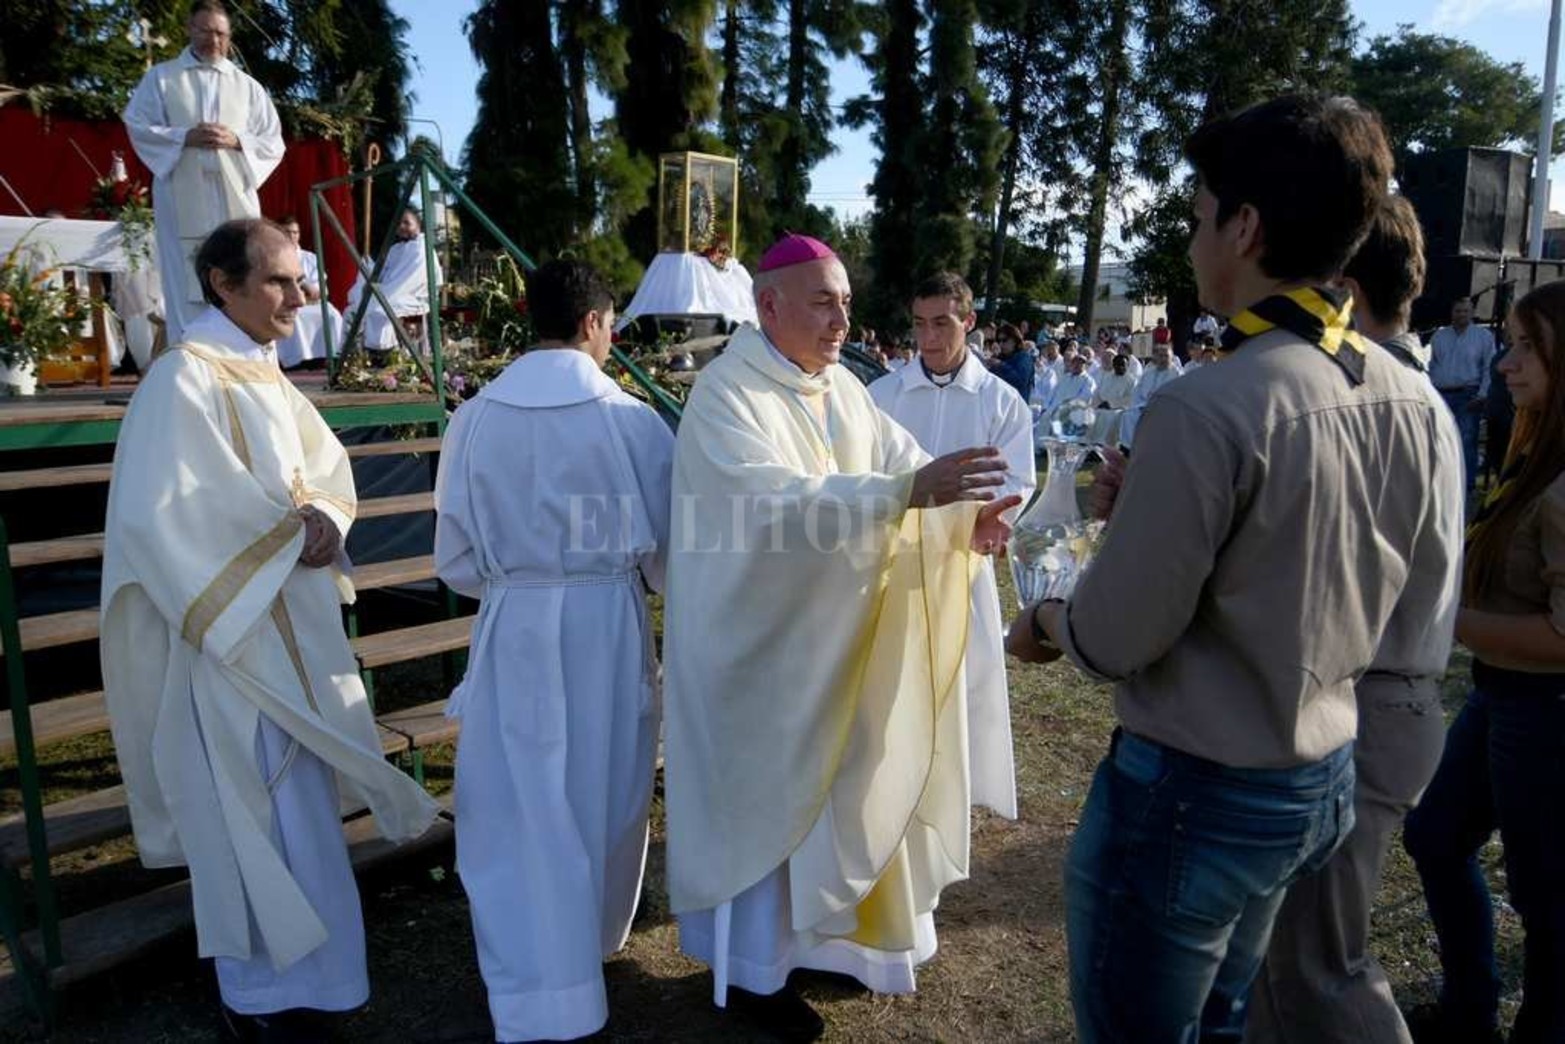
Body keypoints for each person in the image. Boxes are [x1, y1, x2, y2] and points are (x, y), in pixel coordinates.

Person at [1008, 94, 1453, 1043]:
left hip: (1195, 792)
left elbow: (1116, 638)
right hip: (1319, 769)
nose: (1193, 235)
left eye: (1199, 213)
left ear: (1244, 227)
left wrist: (1044, 619)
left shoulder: (1209, 407)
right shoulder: (1405, 397)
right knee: (1223, 1023)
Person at [662, 234, 1019, 1036]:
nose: (840, 319)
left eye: (846, 302)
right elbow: (766, 505)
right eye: (822, 301)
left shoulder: (844, 390)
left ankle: (832, 949)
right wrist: (902, 493)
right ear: (767, 307)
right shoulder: (727, 395)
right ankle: (754, 972)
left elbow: (911, 468)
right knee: (768, 803)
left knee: (841, 795)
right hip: (760, 653)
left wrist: (966, 519)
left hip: (837, 639)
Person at [100, 218, 441, 1037]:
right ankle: (256, 998)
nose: (303, 296)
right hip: (228, 639)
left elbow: (322, 472)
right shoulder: (180, 380)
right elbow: (166, 515)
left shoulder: (267, 375)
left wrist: (326, 515)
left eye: (301, 278)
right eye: (282, 281)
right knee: (244, 812)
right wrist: (295, 530)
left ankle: (320, 984)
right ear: (223, 283)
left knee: (304, 818)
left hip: (290, 616)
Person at [434, 260, 674, 1042]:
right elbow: (668, 555)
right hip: (603, 623)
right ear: (598, 323)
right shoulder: (632, 420)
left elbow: (456, 559)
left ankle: (532, 985)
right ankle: (584, 958)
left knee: (515, 803)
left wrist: (519, 583)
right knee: (602, 789)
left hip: (514, 621)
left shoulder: (474, 419)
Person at [1246, 193, 1464, 1044]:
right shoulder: (1404, 397)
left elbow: (1325, 579)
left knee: (1317, 968)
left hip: (1365, 706)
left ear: (1335, 286)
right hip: (1372, 702)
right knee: (1280, 962)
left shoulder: (1376, 401)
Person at [1401, 279, 1565, 1044]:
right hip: (1502, 698)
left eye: (1527, 345)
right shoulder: (1530, 449)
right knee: (1435, 836)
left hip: (1544, 711)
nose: (1505, 362)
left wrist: (1444, 621)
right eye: (1508, 342)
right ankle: (1470, 1010)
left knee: (1545, 898)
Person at [869, 271, 1037, 820]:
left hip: (962, 560)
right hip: (894, 560)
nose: (928, 338)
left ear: (968, 322)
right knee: (892, 676)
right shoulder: (884, 394)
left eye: (942, 323)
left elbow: (1018, 479)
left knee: (963, 676)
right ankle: (888, 783)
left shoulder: (1000, 400)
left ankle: (951, 791)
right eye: (919, 324)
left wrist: (992, 517)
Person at [123, 0, 284, 347]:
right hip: (182, 198)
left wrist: (238, 139)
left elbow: (272, 141)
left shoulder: (247, 86)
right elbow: (138, 124)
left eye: (221, 33)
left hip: (234, 196)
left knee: (244, 270)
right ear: (190, 29)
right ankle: (191, 360)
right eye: (206, 31)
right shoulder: (162, 78)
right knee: (186, 281)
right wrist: (184, 137)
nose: (214, 40)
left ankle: (250, 355)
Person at [344, 208, 441, 354]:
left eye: (407, 223)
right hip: (391, 292)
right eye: (399, 223)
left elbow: (408, 281)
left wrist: (381, 294)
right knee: (351, 310)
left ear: (418, 225)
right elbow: (381, 274)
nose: (401, 226)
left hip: (414, 298)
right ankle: (353, 355)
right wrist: (368, 266)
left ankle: (387, 353)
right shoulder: (395, 249)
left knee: (378, 309)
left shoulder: (422, 249)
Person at [1428, 297, 1497, 488]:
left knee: (1466, 442)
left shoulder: (1483, 337)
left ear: (1472, 313)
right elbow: (1431, 365)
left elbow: (1488, 368)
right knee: (1439, 440)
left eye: (1465, 311)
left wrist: (1482, 395)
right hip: (1441, 394)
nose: (1461, 315)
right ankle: (1440, 484)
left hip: (1468, 395)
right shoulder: (1439, 336)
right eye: (1458, 311)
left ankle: (1465, 487)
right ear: (1452, 313)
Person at [274, 215, 345, 369]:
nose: (292, 236)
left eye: (295, 232)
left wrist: (309, 290)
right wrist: (303, 285)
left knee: (333, 315)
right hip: (288, 303)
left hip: (312, 302)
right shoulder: (273, 257)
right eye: (287, 232)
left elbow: (319, 290)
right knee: (296, 318)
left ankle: (332, 356)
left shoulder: (310, 258)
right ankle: (296, 360)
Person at [1117, 342, 1182, 447]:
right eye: (1160, 356)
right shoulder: (1148, 373)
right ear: (1156, 357)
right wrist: (1138, 406)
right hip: (1144, 405)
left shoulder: (1177, 373)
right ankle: (1129, 448)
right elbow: (1137, 393)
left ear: (1171, 357)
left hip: (1165, 408)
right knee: (1128, 416)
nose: (1163, 359)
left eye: (1166, 356)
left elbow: (1178, 395)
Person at [990, 322, 1035, 403]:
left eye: (1004, 340)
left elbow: (1020, 381)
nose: (1001, 344)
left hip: (1017, 408)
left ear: (1015, 340)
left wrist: (1000, 365)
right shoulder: (1001, 357)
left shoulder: (1024, 357)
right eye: (999, 341)